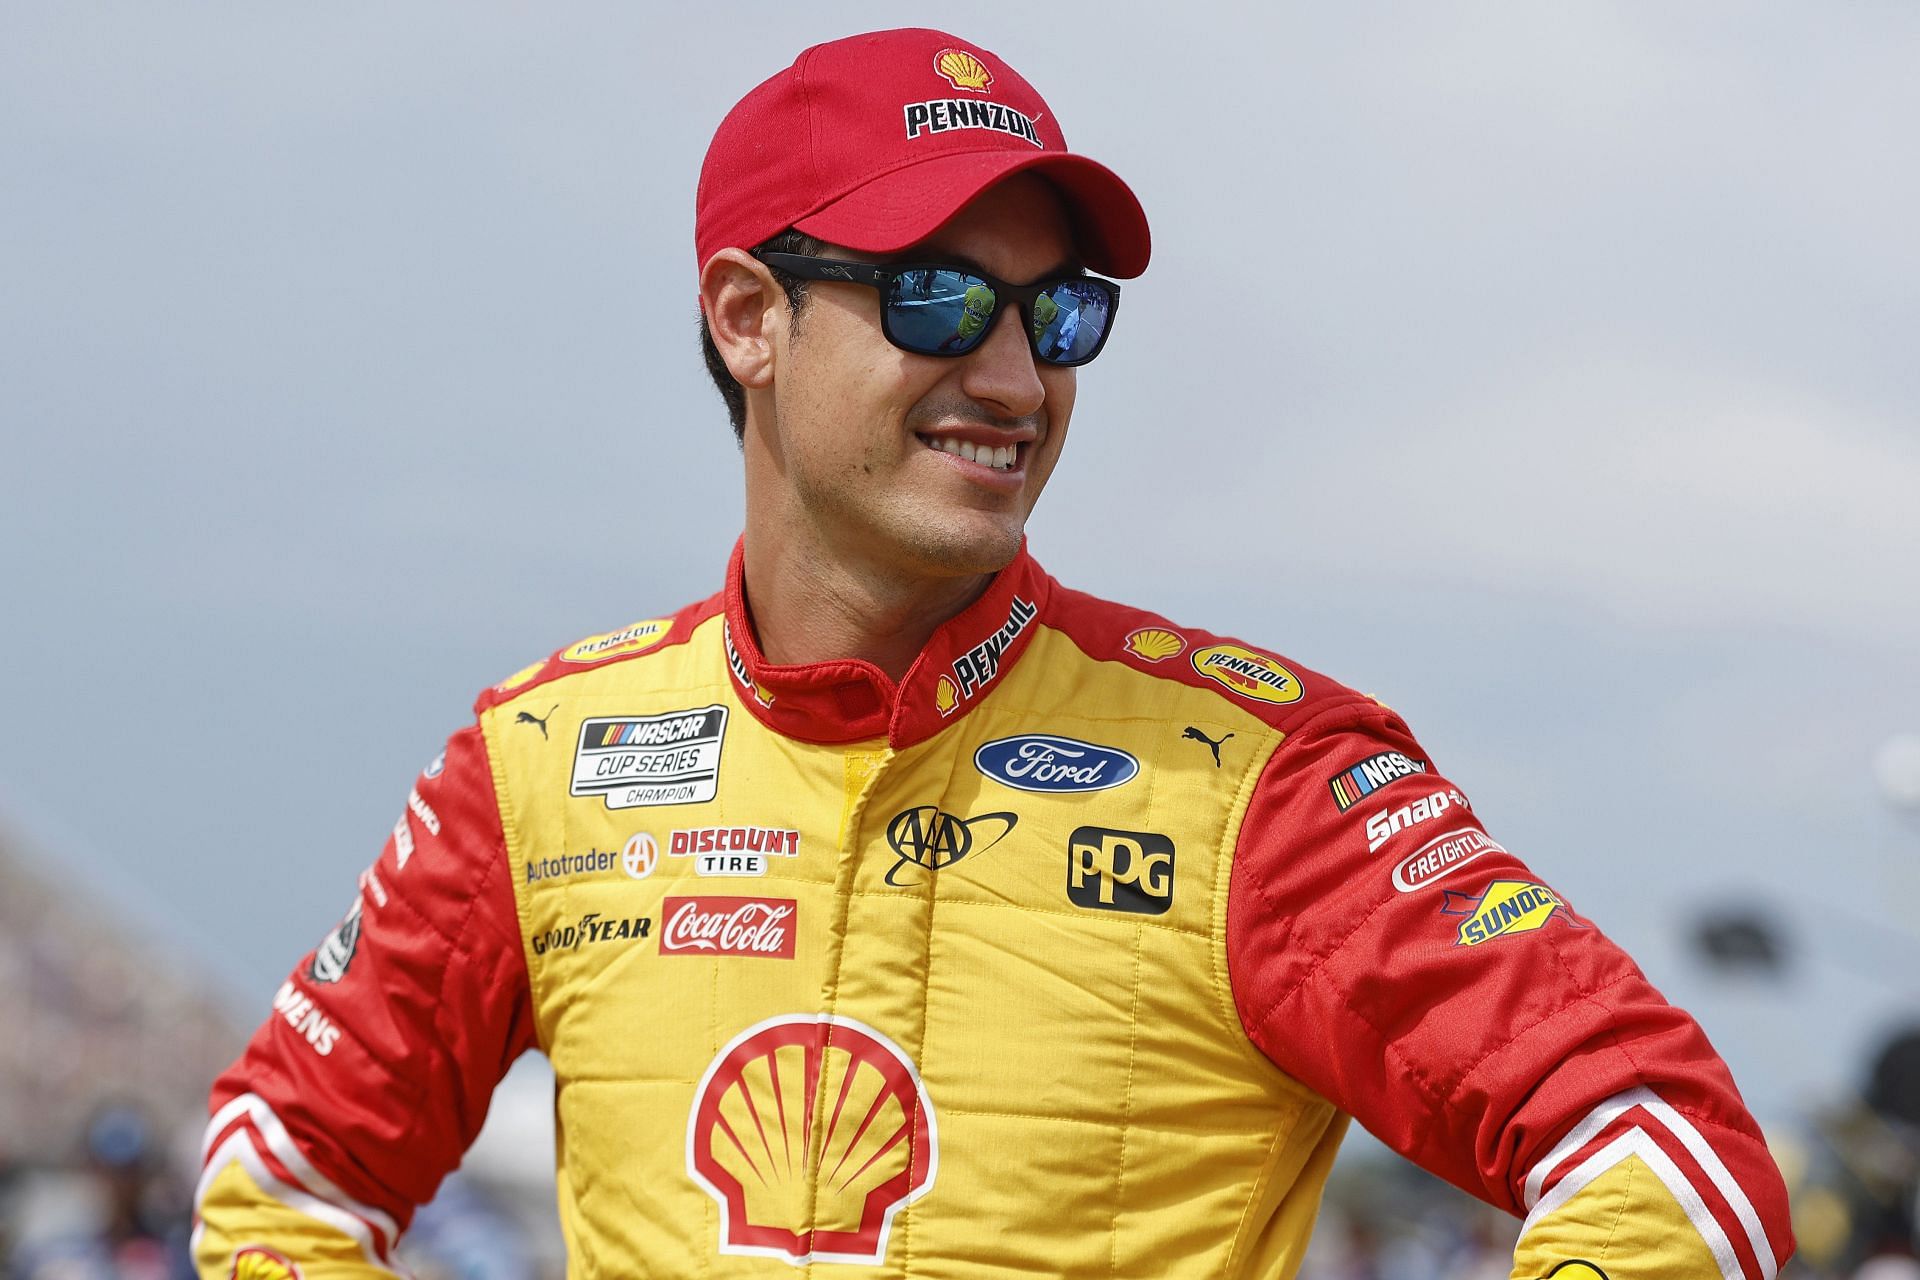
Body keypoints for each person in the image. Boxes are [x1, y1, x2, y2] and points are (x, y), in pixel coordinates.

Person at [193, 26, 1795, 1280]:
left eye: (1061, 314)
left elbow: (1664, 1141)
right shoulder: (539, 759)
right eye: (944, 298)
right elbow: (283, 1175)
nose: (1018, 377)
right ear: (749, 318)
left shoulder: (1263, 775)